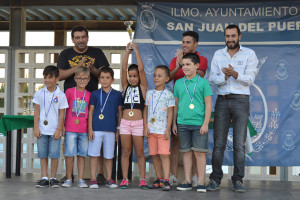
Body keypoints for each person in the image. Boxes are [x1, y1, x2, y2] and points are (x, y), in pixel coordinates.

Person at [207, 24, 258, 193]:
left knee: (239, 144)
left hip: (241, 101)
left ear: (239, 36)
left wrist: (235, 74)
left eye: (233, 36)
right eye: (227, 36)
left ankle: (238, 180)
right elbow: (212, 79)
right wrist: (225, 76)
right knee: (219, 144)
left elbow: (250, 79)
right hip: (222, 101)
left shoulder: (249, 54)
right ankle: (215, 179)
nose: (230, 39)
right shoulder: (218, 54)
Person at [57, 25, 109, 184]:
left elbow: (104, 75)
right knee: (70, 140)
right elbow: (59, 76)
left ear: (87, 37)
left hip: (93, 98)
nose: (81, 40)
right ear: (72, 39)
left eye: (83, 37)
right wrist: (78, 67)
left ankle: (99, 174)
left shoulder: (97, 52)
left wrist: (90, 67)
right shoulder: (65, 54)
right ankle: (69, 176)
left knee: (95, 135)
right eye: (77, 37)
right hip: (71, 100)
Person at [168, 31, 208, 186]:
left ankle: (196, 177)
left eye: (188, 42)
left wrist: (184, 65)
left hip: (195, 110)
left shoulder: (202, 59)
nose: (184, 45)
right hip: (178, 107)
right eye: (183, 42)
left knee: (196, 146)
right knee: (176, 142)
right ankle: (172, 175)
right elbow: (168, 77)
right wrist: (179, 63)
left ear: (195, 44)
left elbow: (200, 75)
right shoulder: (175, 60)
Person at [173, 53, 212, 192]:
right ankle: (188, 181)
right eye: (183, 65)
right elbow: (175, 105)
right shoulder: (178, 83)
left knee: (200, 153)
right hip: (182, 123)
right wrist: (173, 123)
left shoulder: (203, 83)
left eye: (188, 64)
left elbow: (208, 104)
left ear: (196, 66)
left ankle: (201, 182)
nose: (185, 67)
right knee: (186, 152)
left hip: (199, 123)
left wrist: (206, 123)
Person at [33, 65, 69, 188]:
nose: (47, 80)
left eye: (50, 77)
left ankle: (53, 178)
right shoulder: (39, 93)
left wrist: (59, 129)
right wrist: (36, 127)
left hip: (54, 130)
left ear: (56, 79)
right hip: (42, 130)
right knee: (43, 154)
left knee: (54, 154)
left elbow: (62, 113)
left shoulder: (61, 95)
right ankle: (44, 177)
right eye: (45, 77)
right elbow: (36, 111)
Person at [119, 43, 148, 189]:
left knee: (139, 152)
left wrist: (136, 50)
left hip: (138, 123)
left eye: (134, 76)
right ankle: (125, 178)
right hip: (125, 123)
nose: (132, 78)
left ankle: (142, 179)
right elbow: (123, 69)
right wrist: (127, 53)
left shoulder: (143, 87)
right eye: (130, 76)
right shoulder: (125, 86)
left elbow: (141, 70)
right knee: (125, 151)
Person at [88, 67, 123, 189]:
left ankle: (109, 179)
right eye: (102, 77)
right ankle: (93, 179)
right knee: (94, 154)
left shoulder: (117, 94)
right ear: (98, 79)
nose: (105, 80)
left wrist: (118, 128)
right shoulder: (95, 94)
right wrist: (90, 129)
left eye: (107, 77)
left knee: (109, 155)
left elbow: (120, 112)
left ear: (112, 79)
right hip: (96, 129)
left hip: (111, 129)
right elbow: (91, 112)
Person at [144, 65, 175, 191]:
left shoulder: (168, 94)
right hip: (151, 130)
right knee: (154, 155)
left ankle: (166, 180)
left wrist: (168, 129)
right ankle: (159, 179)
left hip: (163, 131)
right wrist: (145, 126)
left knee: (164, 155)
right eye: (155, 75)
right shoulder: (149, 93)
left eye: (160, 76)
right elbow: (145, 110)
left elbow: (171, 113)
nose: (156, 78)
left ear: (167, 79)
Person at [61, 66, 91, 188]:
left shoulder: (89, 95)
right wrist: (62, 126)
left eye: (85, 78)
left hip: (83, 130)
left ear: (89, 79)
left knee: (82, 155)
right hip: (70, 128)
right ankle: (69, 178)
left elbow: (91, 112)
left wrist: (90, 129)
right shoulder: (69, 92)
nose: (82, 81)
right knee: (69, 154)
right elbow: (63, 109)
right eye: (79, 78)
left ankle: (81, 179)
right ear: (75, 78)